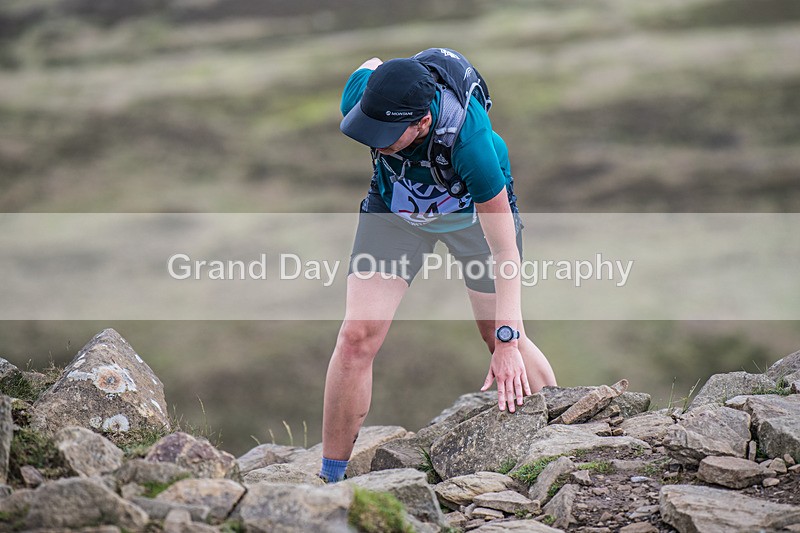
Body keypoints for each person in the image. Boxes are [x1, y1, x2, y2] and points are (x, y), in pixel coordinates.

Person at [319, 52, 557, 483]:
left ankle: (568, 437)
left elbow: (505, 254)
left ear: (422, 123)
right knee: (355, 338)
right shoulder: (366, 97)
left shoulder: (471, 145)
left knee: (500, 337)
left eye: (388, 135)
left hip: (472, 217)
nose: (375, 143)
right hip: (395, 214)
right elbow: (371, 63)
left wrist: (506, 339)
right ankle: (330, 479)